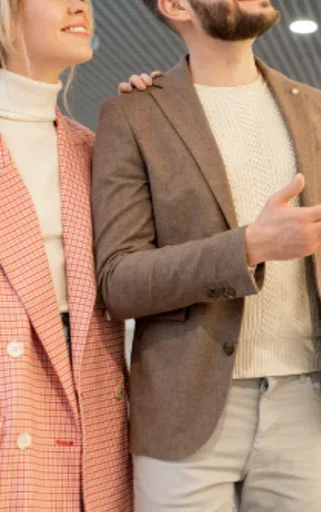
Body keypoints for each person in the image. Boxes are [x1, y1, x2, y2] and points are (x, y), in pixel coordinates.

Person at [91, 0, 321, 510]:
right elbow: (120, 281)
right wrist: (249, 247)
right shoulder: (133, 114)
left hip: (304, 402)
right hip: (183, 409)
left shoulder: (316, 109)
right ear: (176, 6)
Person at [0, 0, 154, 509]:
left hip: (92, 411)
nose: (79, 6)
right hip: (14, 401)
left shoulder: (92, 148)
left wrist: (154, 123)